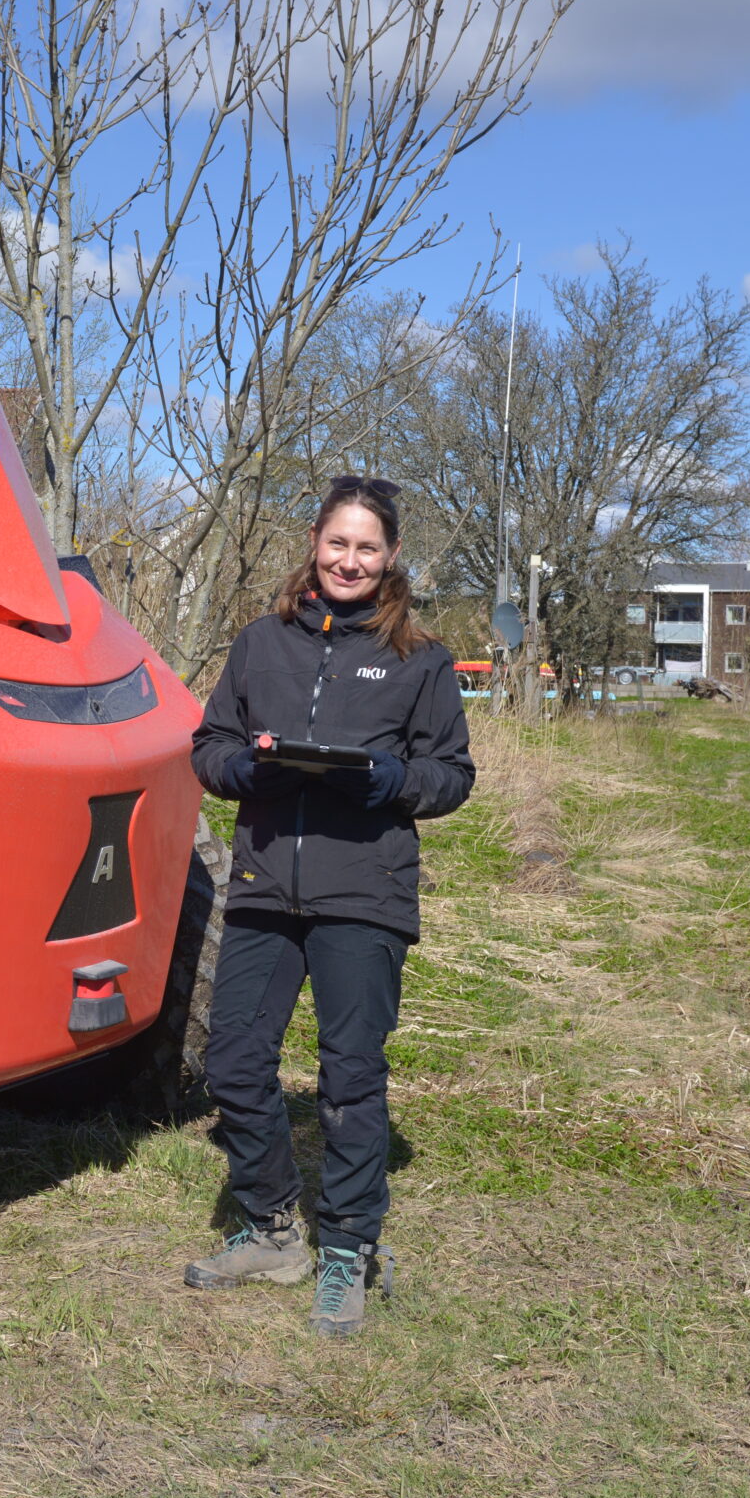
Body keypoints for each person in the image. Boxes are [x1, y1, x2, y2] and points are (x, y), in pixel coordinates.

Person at [184, 475, 476, 1337]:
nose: (350, 560)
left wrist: (391, 779)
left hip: (365, 892)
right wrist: (249, 770)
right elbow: (211, 745)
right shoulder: (259, 644)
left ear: (390, 559)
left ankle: (347, 1246)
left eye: (368, 547)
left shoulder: (420, 658)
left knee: (350, 1080)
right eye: (337, 542)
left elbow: (451, 774)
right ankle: (272, 1227)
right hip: (266, 886)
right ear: (315, 543)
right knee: (234, 1061)